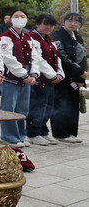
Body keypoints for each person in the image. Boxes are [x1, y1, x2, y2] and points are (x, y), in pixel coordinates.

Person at [0, 8, 48, 148]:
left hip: (27, 75)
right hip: (12, 76)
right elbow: (8, 58)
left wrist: (33, 74)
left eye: (22, 16)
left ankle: (21, 135)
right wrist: (24, 75)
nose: (19, 19)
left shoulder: (28, 37)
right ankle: (9, 137)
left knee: (23, 108)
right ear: (10, 19)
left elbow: (35, 57)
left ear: (27, 20)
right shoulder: (6, 36)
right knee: (9, 108)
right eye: (16, 16)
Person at [27, 14, 63, 145]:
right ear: (37, 24)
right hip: (39, 79)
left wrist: (60, 74)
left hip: (50, 79)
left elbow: (57, 57)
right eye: (45, 24)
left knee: (48, 106)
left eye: (51, 25)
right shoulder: (33, 37)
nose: (48, 27)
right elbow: (38, 59)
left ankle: (43, 131)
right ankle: (33, 132)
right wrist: (53, 75)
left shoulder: (49, 39)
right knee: (37, 106)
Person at [52, 12, 88, 143]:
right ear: (64, 21)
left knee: (73, 105)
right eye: (70, 20)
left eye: (77, 21)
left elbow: (83, 57)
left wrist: (81, 78)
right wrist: (80, 71)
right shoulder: (56, 36)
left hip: (76, 77)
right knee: (61, 104)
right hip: (62, 76)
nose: (73, 23)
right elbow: (62, 57)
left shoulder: (77, 37)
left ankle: (71, 132)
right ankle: (60, 133)